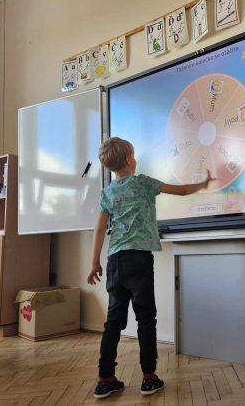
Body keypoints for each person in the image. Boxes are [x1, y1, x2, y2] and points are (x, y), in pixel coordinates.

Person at [87, 137, 215, 399]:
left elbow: (100, 228)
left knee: (113, 321)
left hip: (115, 261)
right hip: (139, 260)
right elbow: (179, 191)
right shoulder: (144, 183)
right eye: (133, 153)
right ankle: (149, 377)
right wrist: (202, 184)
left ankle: (105, 379)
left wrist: (93, 262)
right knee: (146, 317)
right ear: (129, 159)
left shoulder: (107, 192)